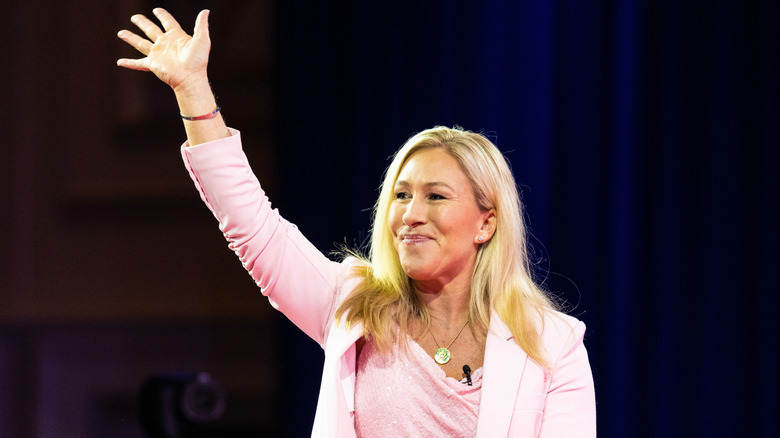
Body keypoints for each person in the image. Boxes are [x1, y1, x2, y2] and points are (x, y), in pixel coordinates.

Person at [117, 8, 596, 437]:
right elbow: (253, 226)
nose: (411, 214)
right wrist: (193, 90)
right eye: (401, 195)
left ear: (486, 223)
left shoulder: (553, 345)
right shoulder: (352, 307)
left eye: (436, 196)